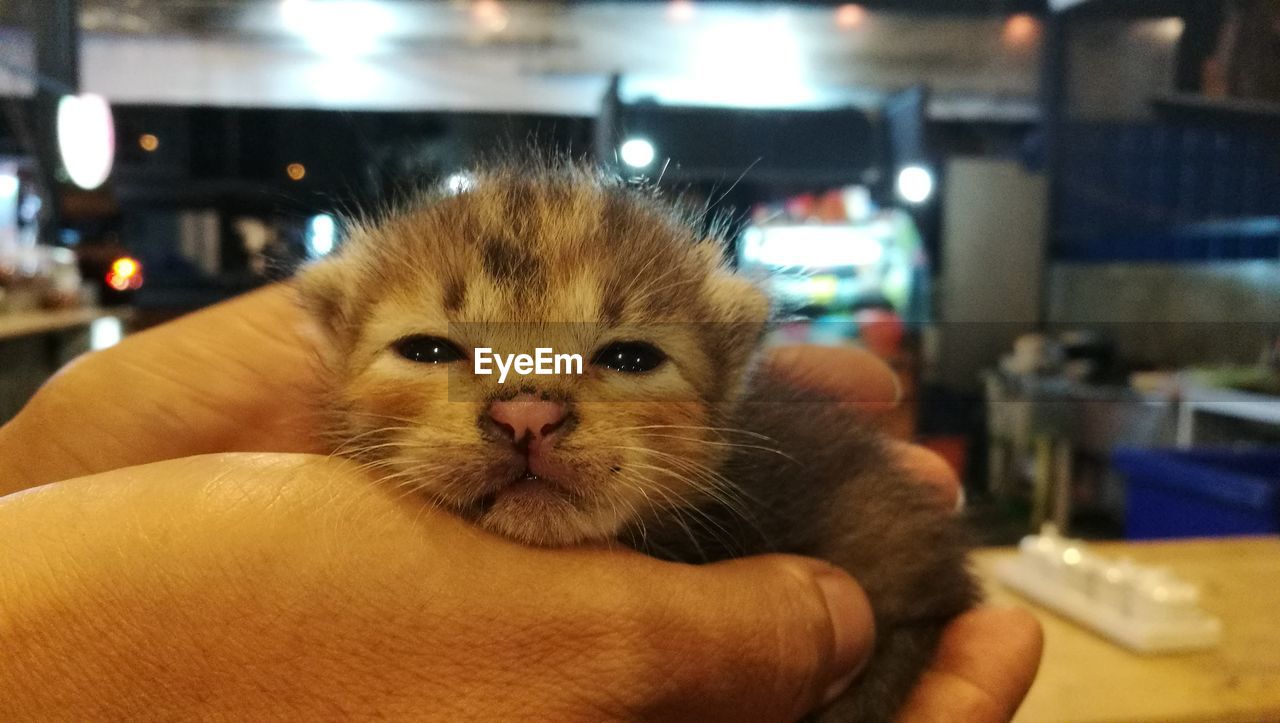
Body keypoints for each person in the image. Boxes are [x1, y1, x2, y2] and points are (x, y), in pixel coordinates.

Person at [0, 285, 1041, 720]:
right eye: (435, 350)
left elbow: (906, 572)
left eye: (624, 356)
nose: (523, 409)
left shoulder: (785, 501)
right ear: (328, 337)